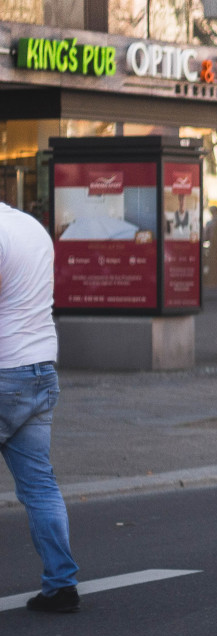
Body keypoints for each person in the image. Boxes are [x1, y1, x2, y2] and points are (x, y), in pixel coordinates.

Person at [0, 201, 80, 613]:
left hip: (5, 369)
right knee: (39, 485)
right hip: (40, 368)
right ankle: (61, 584)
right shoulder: (31, 227)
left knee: (38, 484)